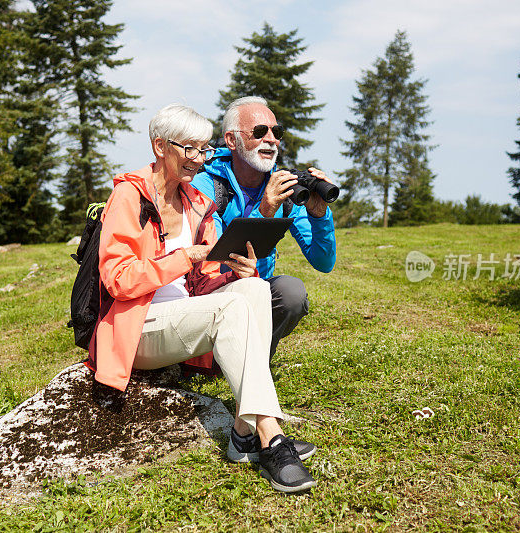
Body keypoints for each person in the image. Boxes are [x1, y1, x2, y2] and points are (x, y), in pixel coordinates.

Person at [85, 104, 317, 493]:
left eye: (204, 150)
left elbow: (205, 276)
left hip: (182, 320)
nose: (199, 159)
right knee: (231, 304)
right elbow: (117, 280)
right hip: (136, 329)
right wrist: (181, 258)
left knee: (254, 287)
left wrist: (230, 273)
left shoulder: (196, 202)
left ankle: (243, 433)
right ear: (160, 146)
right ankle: (271, 437)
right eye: (189, 149)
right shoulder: (129, 197)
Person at [191, 96, 337, 358]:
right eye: (259, 132)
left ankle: (251, 358)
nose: (271, 139)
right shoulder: (205, 185)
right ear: (232, 140)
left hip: (256, 290)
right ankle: (213, 357)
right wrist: (265, 211)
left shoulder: (286, 188)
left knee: (291, 293)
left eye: (276, 132)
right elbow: (215, 261)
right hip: (210, 294)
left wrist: (319, 214)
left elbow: (323, 262)